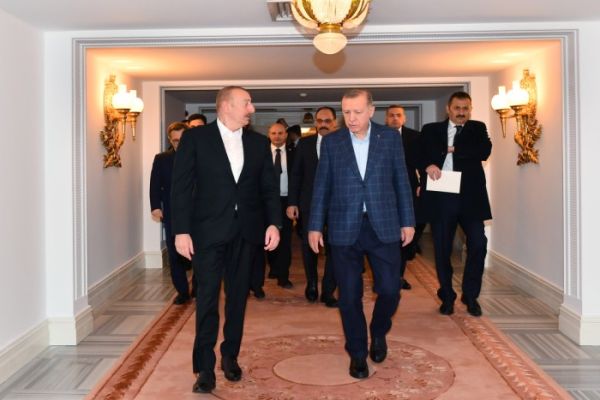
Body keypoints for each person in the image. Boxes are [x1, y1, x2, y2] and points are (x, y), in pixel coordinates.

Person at [171, 86, 281, 394]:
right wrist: (181, 231)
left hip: (246, 233)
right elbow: (181, 187)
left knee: (237, 299)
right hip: (206, 233)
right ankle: (204, 367)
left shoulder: (259, 143)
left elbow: (269, 188)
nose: (252, 109)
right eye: (247, 103)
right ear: (226, 106)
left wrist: (274, 223)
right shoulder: (196, 138)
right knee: (206, 300)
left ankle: (230, 355)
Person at [308, 89, 415, 379]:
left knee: (390, 289)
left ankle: (378, 331)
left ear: (371, 110)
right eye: (346, 112)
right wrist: (315, 225)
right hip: (344, 226)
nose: (351, 118)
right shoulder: (332, 142)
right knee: (349, 296)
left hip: (384, 224)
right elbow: (322, 185)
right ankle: (357, 352)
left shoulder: (389, 138)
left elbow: (401, 180)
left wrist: (408, 220)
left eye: (357, 112)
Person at [420, 91, 492, 317]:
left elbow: (484, 151)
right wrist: (428, 164)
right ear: (448, 109)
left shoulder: (477, 128)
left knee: (478, 243)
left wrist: (451, 149)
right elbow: (419, 153)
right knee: (442, 248)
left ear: (470, 109)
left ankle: (470, 296)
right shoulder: (431, 130)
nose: (461, 112)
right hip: (442, 195)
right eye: (457, 108)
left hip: (471, 197)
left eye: (465, 108)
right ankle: (447, 295)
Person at [287, 106, 338, 307]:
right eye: (320, 121)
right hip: (309, 204)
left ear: (335, 122)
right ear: (315, 123)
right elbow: (296, 175)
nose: (323, 124)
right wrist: (292, 202)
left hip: (338, 205)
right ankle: (312, 284)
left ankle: (328, 290)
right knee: (309, 246)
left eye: (327, 121)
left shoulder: (344, 143)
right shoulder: (305, 144)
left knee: (335, 247)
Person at [149, 121, 193, 305]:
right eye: (175, 140)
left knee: (200, 253)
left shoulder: (200, 156)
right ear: (169, 139)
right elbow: (154, 184)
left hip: (198, 213)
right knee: (174, 254)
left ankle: (198, 287)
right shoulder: (162, 159)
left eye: (182, 140)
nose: (179, 144)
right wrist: (155, 206)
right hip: (173, 213)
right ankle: (182, 291)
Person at [385, 104, 424, 291]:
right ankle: (388, 276)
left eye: (398, 115)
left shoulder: (415, 137)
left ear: (404, 118)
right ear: (386, 119)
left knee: (409, 233)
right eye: (391, 115)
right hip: (384, 194)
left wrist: (423, 184)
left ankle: (399, 275)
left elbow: (424, 162)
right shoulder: (377, 135)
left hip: (409, 193)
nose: (395, 118)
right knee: (387, 238)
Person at [266, 122, 295, 289]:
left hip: (286, 202)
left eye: (280, 133)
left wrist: (293, 202)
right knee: (268, 237)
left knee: (285, 240)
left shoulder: (294, 153)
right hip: (266, 203)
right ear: (269, 135)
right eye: (273, 133)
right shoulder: (261, 153)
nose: (277, 136)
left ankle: (283, 276)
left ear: (286, 135)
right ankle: (273, 267)